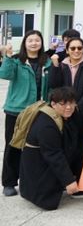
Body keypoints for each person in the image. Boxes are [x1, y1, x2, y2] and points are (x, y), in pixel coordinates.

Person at [19, 87, 83, 210]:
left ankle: (78, 181)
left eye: (72, 103)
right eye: (63, 104)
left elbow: (81, 118)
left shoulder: (70, 112)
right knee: (48, 203)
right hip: (39, 165)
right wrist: (68, 181)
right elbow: (54, 156)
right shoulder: (46, 125)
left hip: (51, 155)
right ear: (53, 104)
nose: (69, 107)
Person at [0, 30, 52, 197]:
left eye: (37, 40)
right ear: (25, 43)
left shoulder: (47, 61)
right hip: (17, 110)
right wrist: (8, 56)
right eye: (30, 40)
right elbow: (4, 74)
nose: (34, 43)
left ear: (41, 43)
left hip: (39, 110)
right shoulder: (16, 60)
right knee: (13, 145)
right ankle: (9, 182)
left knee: (34, 147)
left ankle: (29, 181)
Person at [49, 37, 83, 118]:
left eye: (79, 48)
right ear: (67, 50)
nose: (76, 51)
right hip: (64, 110)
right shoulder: (62, 65)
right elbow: (54, 85)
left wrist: (77, 108)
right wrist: (55, 66)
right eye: (72, 48)